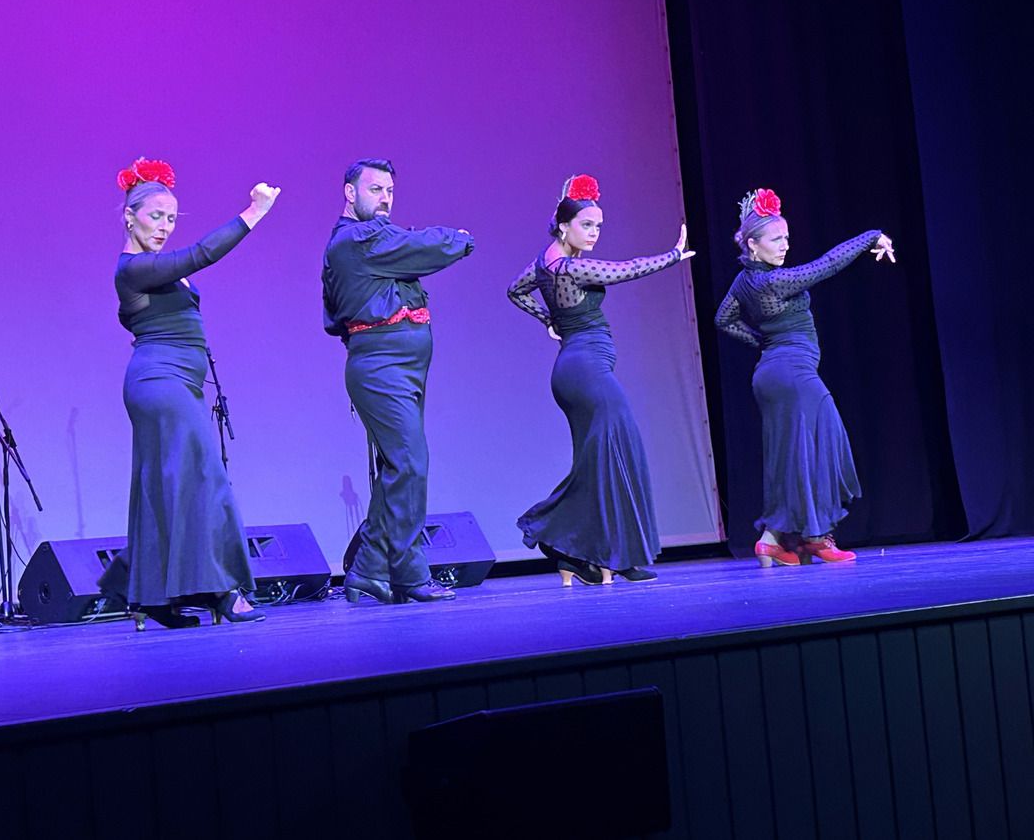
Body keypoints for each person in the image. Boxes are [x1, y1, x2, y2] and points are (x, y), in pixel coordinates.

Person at [106, 156, 279, 628]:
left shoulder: (156, 268)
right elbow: (201, 253)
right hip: (158, 383)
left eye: (169, 218)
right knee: (204, 476)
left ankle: (154, 597)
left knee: (166, 484)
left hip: (179, 380)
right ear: (130, 216)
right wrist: (253, 213)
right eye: (154, 216)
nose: (163, 227)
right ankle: (222, 588)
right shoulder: (134, 268)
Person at [507, 174, 692, 586]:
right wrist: (673, 256)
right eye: (586, 225)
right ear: (563, 225)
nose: (593, 233)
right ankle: (578, 541)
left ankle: (577, 554)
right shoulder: (572, 267)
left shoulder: (544, 262)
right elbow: (626, 269)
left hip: (574, 368)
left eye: (598, 226)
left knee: (597, 463)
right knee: (619, 453)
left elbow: (514, 291)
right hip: (586, 370)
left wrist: (549, 321)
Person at [714, 188, 895, 566]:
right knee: (823, 443)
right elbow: (827, 264)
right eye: (776, 239)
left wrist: (763, 342)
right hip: (792, 372)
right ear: (752, 244)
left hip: (772, 372)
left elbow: (723, 319)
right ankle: (814, 537)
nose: (785, 245)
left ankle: (775, 539)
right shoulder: (771, 282)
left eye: (787, 237)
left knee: (794, 457)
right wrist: (871, 237)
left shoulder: (743, 282)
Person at [322, 158, 474, 604]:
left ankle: (371, 571)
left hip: (404, 365)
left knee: (399, 469)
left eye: (389, 190)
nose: (385, 198)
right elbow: (426, 247)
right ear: (350, 193)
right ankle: (405, 571)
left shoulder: (378, 242)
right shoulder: (357, 239)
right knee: (410, 464)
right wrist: (459, 239)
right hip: (381, 365)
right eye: (375, 190)